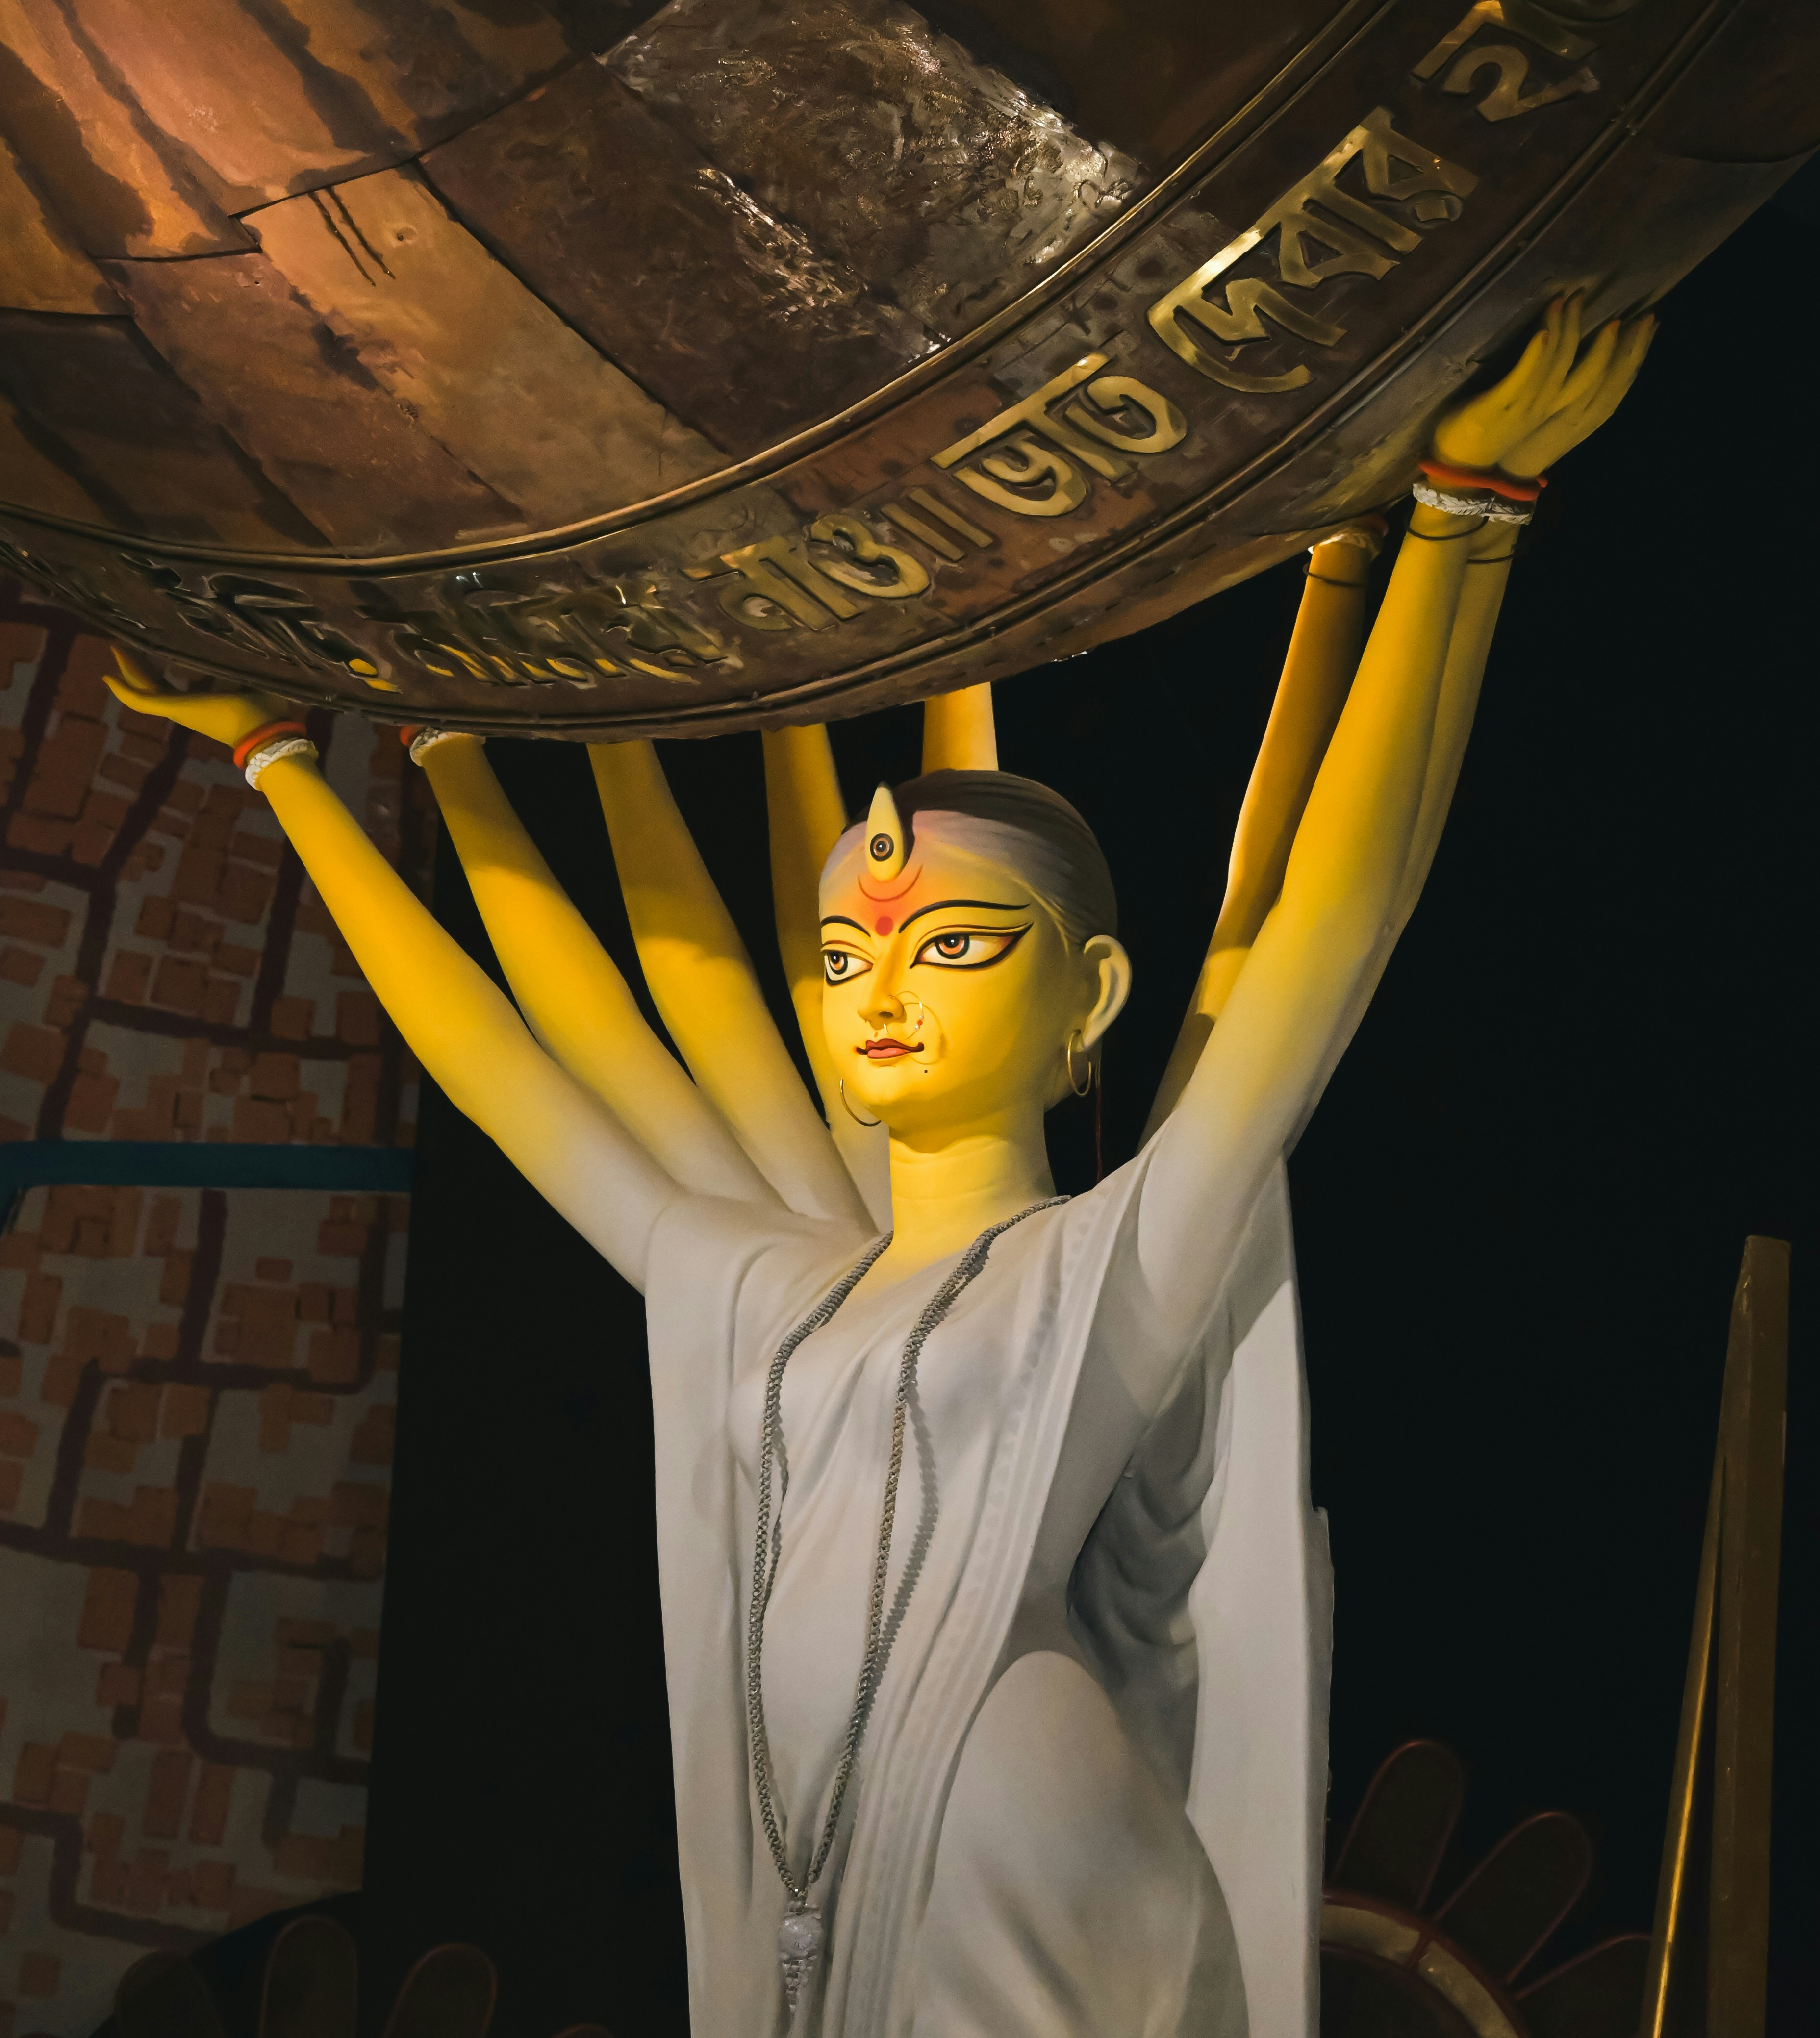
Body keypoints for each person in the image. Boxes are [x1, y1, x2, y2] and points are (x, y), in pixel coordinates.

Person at [109, 299, 1651, 2038]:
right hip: (821, 1894)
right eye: (845, 960)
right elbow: (536, 1057)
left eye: (956, 948)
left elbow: (1315, 923)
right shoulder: (769, 1289)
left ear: (1095, 997)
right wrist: (290, 767)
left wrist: (1463, 522)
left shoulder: (1112, 1258)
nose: (883, 990)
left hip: (1026, 1845)